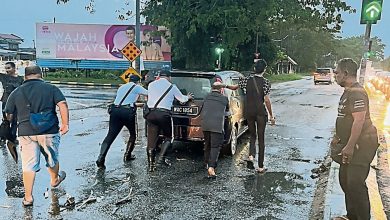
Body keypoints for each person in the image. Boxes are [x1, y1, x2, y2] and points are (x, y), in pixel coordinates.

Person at [4, 66, 69, 207]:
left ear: (25, 76)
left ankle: (28, 198)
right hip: (49, 130)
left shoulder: (17, 92)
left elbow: (8, 114)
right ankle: (54, 180)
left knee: (28, 165)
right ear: (40, 75)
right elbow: (62, 104)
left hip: (26, 132)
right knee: (52, 157)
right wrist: (65, 124)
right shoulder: (51, 88)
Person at [331, 58, 379, 220]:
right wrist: (337, 137)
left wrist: (350, 146)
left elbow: (359, 120)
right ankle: (352, 216)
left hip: (362, 145)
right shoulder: (348, 91)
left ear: (345, 73)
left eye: (336, 72)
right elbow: (345, 117)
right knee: (345, 181)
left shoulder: (357, 92)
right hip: (350, 142)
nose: (334, 75)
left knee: (355, 183)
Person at [96, 74, 148, 169]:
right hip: (127, 112)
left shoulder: (122, 87)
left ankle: (101, 158)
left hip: (115, 111)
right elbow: (149, 93)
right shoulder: (137, 87)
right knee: (133, 134)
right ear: (138, 81)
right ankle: (127, 155)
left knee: (110, 135)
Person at [146, 69, 192, 172]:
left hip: (151, 114)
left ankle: (151, 166)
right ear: (169, 77)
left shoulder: (151, 85)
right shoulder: (172, 87)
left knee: (151, 141)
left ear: (159, 76)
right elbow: (182, 99)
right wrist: (188, 97)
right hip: (164, 114)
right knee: (169, 137)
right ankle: (161, 160)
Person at [234, 59, 275, 173]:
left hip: (249, 111)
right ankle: (260, 167)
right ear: (264, 70)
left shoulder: (246, 80)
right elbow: (266, 100)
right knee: (261, 139)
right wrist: (271, 115)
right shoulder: (266, 82)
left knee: (252, 134)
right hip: (260, 112)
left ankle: (251, 156)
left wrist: (223, 86)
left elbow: (236, 87)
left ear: (254, 69)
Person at [201, 81, 237, 178]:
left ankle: (206, 163)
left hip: (205, 125)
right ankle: (211, 167)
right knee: (215, 147)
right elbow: (227, 112)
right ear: (221, 90)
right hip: (217, 126)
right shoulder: (224, 99)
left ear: (212, 89)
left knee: (207, 144)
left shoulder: (206, 97)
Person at [0, 62, 24, 146]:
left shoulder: (20, 79)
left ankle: (12, 138)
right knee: (6, 121)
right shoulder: (3, 77)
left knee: (15, 121)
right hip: (6, 101)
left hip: (16, 102)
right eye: (6, 68)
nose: (7, 70)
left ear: (14, 68)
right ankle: (2, 138)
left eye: (9, 68)